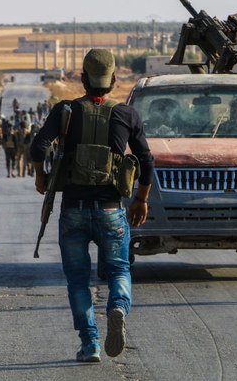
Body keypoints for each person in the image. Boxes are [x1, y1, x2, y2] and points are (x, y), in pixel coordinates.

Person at [30, 49, 154, 362]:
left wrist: (40, 176)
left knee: (77, 280)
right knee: (118, 269)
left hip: (73, 210)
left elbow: (38, 146)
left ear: (83, 79)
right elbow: (146, 161)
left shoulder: (65, 110)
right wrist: (141, 199)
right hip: (112, 210)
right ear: (113, 80)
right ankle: (116, 306)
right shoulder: (127, 115)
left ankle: (90, 344)